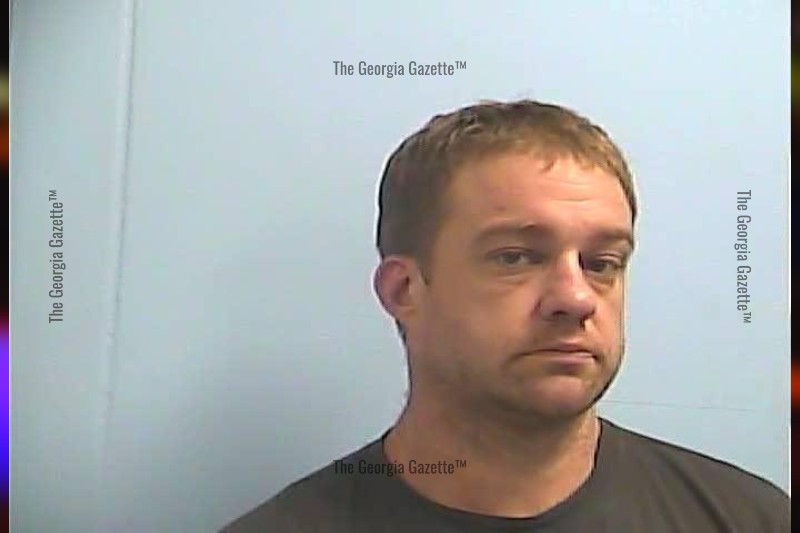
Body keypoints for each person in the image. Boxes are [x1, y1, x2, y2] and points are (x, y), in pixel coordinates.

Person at [223, 100, 790, 532]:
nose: (576, 298)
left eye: (601, 263)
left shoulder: (750, 519)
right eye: (516, 257)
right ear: (404, 291)